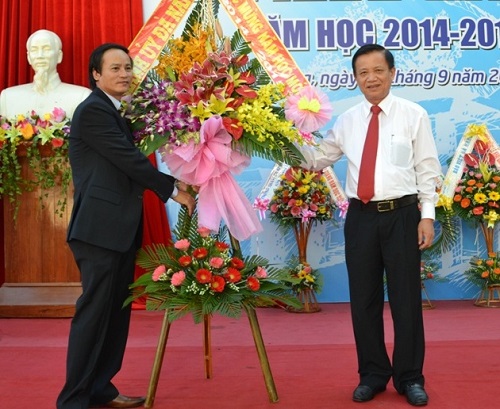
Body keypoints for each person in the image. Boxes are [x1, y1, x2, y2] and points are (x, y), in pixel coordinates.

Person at [56, 43, 196, 409]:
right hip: (98, 231)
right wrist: (171, 190)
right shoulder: (94, 111)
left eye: (128, 67)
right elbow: (127, 158)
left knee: (116, 316)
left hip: (117, 229)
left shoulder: (116, 112)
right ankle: (72, 399)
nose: (124, 74)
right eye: (115, 68)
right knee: (94, 315)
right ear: (96, 75)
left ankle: (101, 387)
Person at [300, 44, 441, 407]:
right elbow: (317, 159)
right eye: (363, 72)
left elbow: (427, 169)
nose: (371, 78)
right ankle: (373, 374)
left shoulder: (414, 115)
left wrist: (427, 216)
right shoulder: (347, 120)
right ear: (356, 78)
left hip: (403, 216)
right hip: (361, 218)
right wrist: (285, 136)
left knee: (406, 300)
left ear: (392, 73)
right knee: (363, 300)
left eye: (378, 70)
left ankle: (410, 377)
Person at [0, 29, 91, 118]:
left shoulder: (81, 96)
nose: (40, 55)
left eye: (46, 49)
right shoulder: (8, 97)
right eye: (34, 50)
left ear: (59, 56)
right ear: (28, 57)